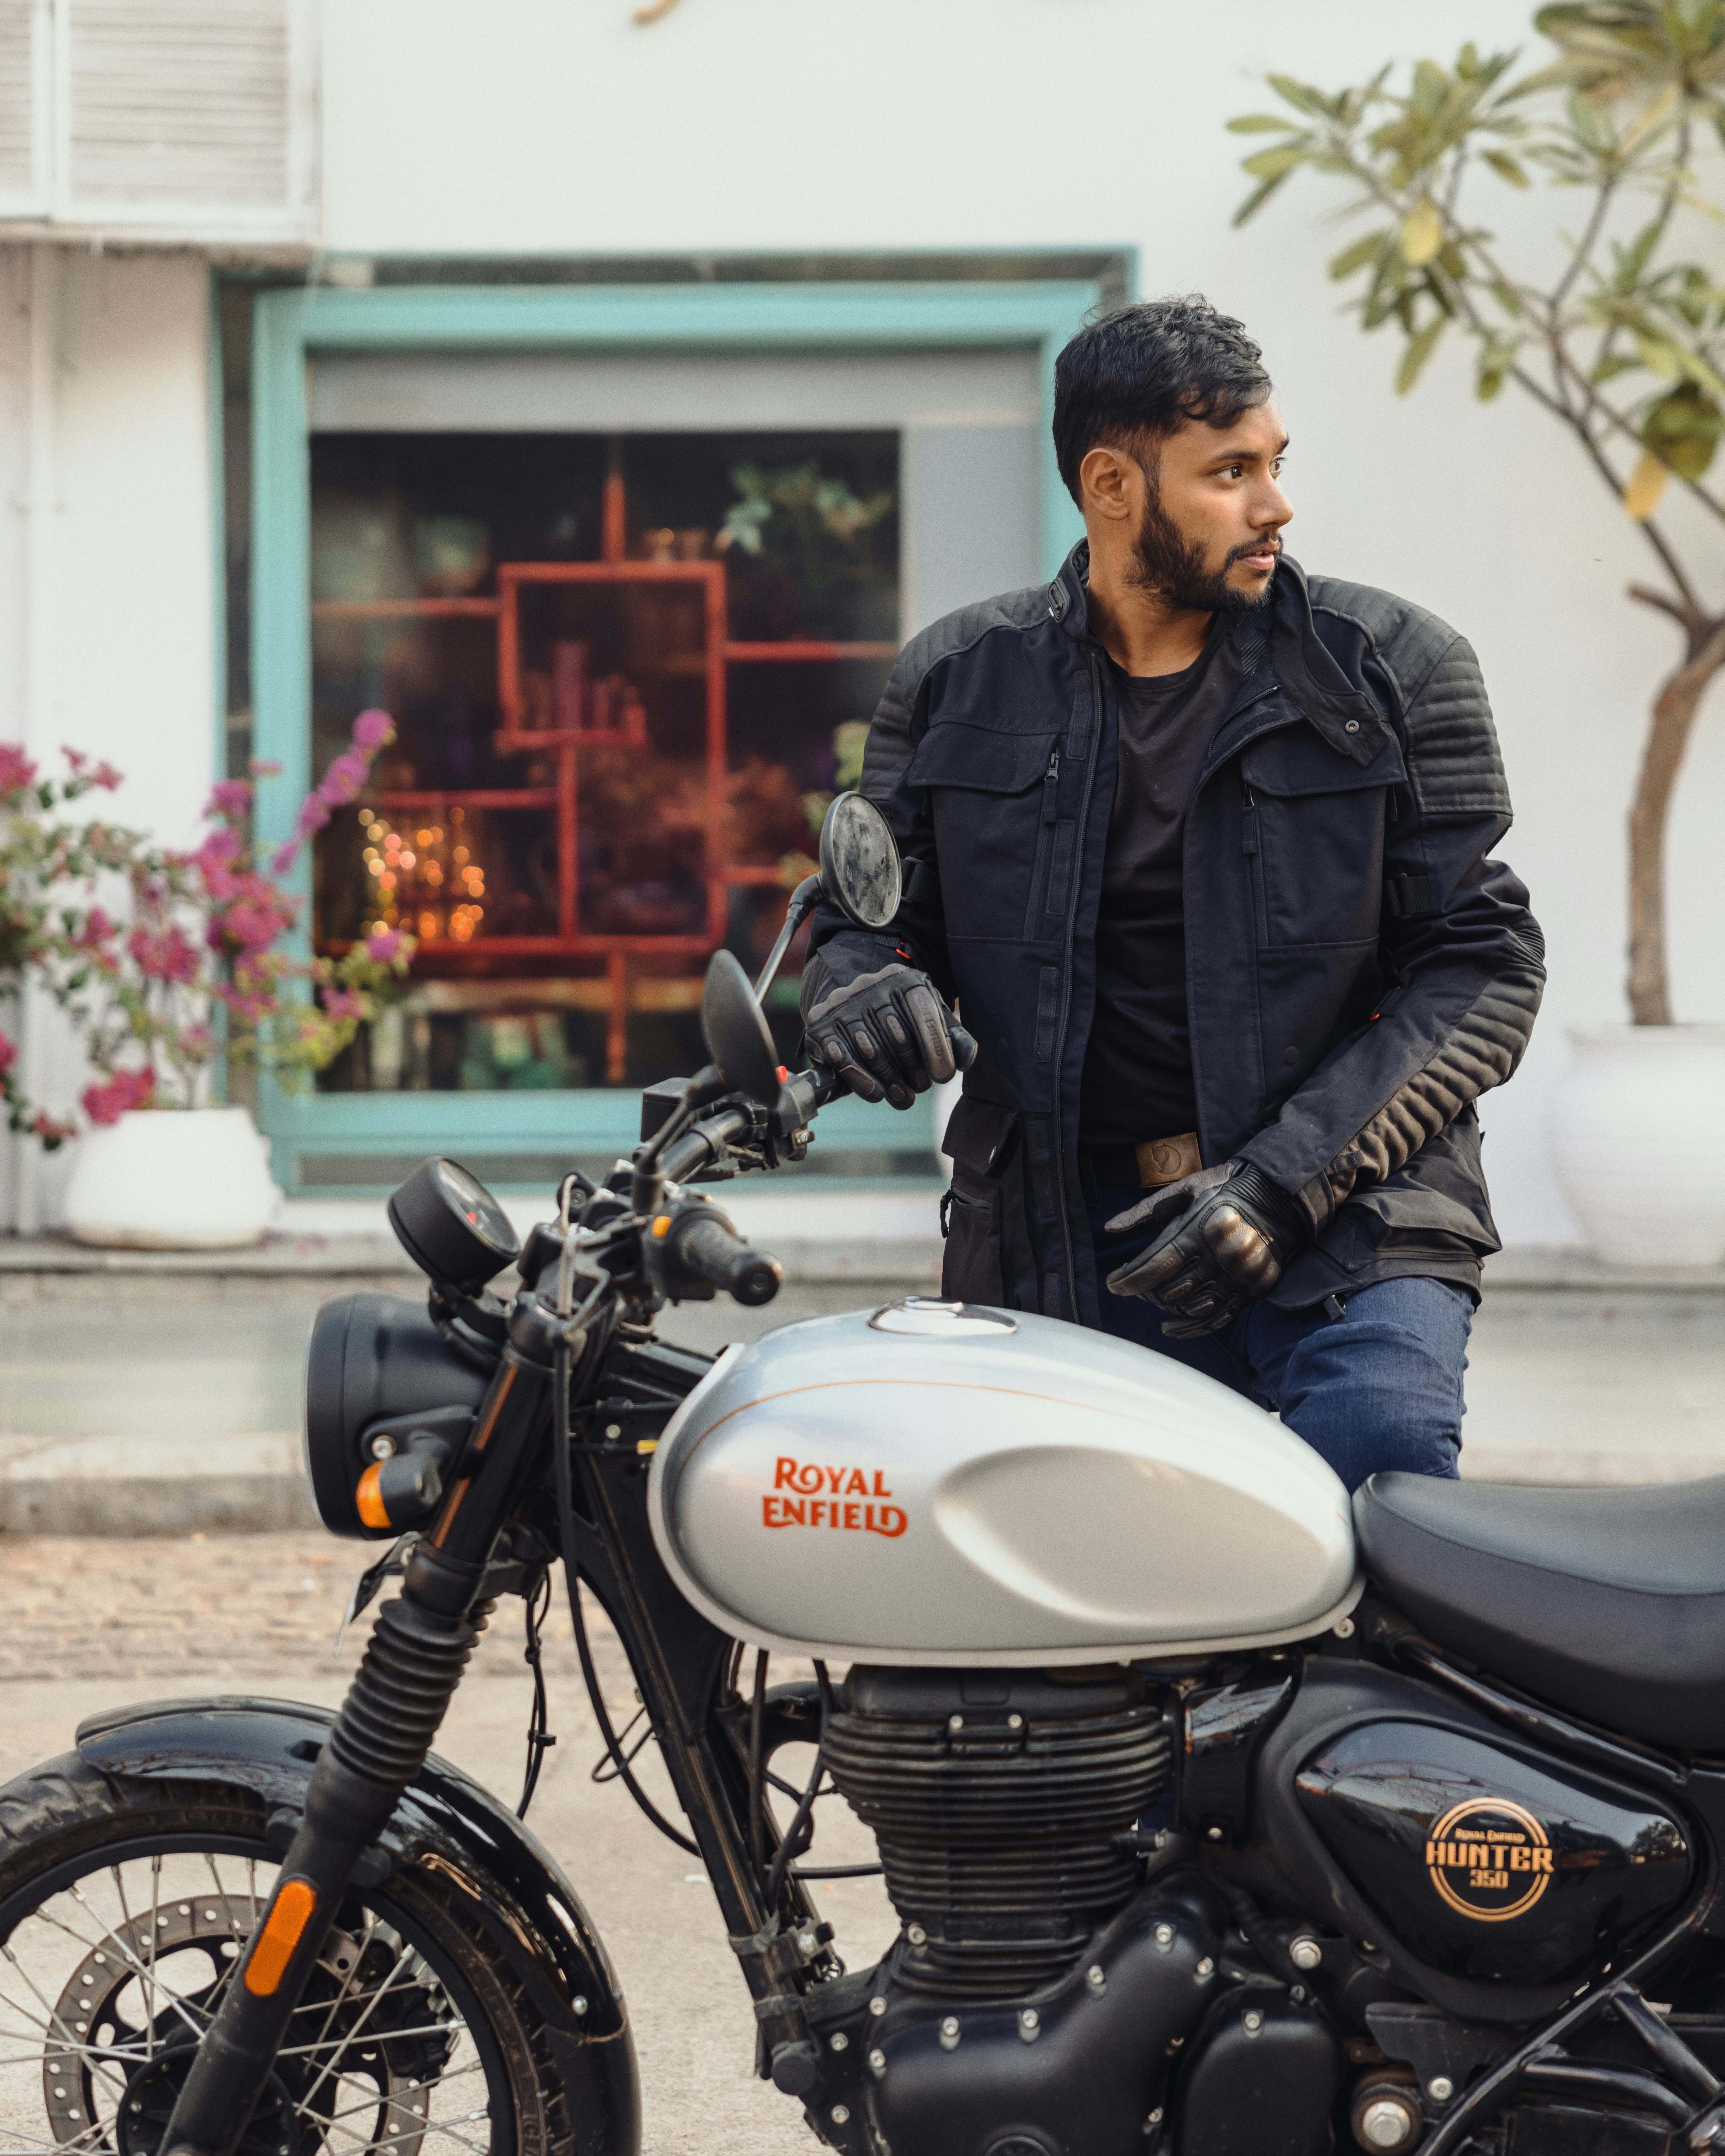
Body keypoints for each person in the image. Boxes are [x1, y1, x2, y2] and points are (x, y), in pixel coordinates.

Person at [799, 296, 1545, 1493]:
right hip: (1062, 1226)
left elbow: (1483, 965)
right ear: (1112, 485)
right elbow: (867, 923)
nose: (1275, 505)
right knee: (1055, 1556)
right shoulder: (953, 679)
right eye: (1230, 472)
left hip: (1347, 1211)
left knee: (1378, 1468)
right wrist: (856, 988)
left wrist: (1280, 1185)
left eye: (1276, 464)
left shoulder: (1395, 667)